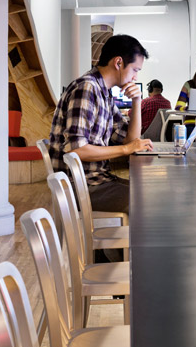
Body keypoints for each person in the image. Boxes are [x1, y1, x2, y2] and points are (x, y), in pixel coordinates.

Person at [48, 34, 152, 214]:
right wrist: (126, 149)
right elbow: (77, 149)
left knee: (152, 195)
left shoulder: (104, 93)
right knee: (152, 203)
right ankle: (129, 242)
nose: (135, 77)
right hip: (80, 187)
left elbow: (131, 140)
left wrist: (137, 101)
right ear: (118, 63)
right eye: (135, 70)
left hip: (97, 181)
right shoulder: (87, 88)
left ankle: (127, 242)